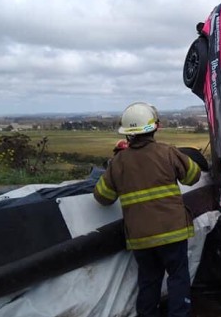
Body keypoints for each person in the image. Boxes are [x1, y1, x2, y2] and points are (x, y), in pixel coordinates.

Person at [93, 102, 201, 317]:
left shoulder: (118, 162)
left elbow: (102, 197)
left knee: (149, 281)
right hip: (173, 233)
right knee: (178, 277)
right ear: (154, 127)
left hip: (141, 238)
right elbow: (193, 176)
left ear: (128, 134)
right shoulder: (167, 152)